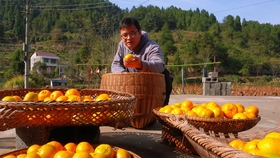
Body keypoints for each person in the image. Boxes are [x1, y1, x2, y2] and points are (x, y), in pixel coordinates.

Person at [111, 17, 173, 105]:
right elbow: (116, 64)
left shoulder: (152, 46)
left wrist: (140, 64)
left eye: (132, 33)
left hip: (154, 89)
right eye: (124, 35)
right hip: (132, 87)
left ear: (139, 32)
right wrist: (124, 75)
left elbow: (160, 66)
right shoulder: (121, 45)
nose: (128, 38)